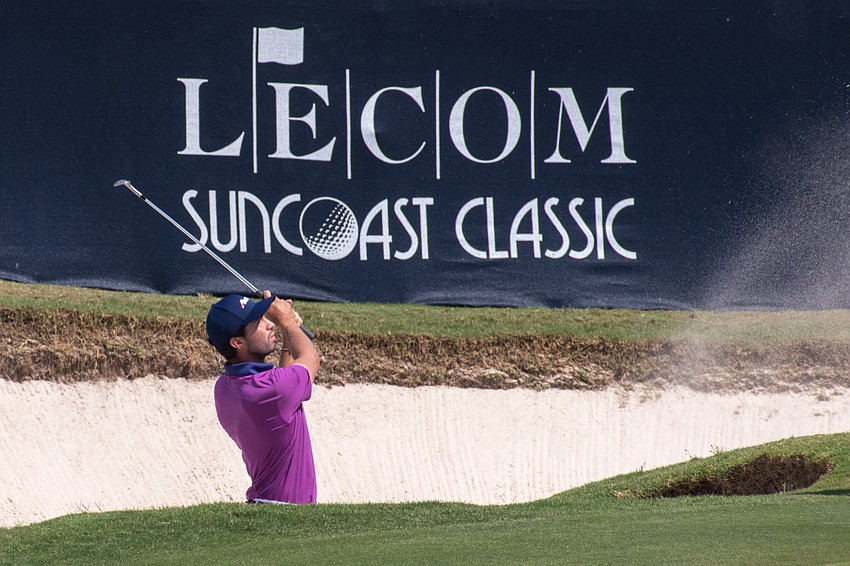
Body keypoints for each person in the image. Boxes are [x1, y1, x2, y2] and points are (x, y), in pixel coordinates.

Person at [205, 291, 320, 504]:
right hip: (286, 509)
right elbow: (310, 359)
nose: (269, 324)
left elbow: (281, 394)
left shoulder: (224, 387)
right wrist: (288, 322)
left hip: (267, 502)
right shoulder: (270, 389)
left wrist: (287, 334)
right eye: (258, 322)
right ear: (238, 343)